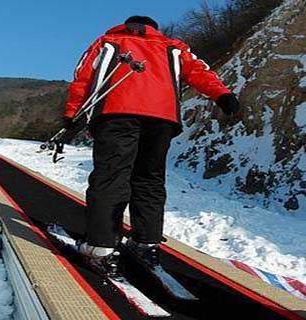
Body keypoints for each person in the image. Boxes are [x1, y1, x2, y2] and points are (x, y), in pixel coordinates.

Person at [64, 16, 239, 278]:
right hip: (162, 119)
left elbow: (84, 77)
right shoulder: (172, 46)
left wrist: (72, 114)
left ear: (127, 25)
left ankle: (101, 247)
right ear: (153, 28)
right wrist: (223, 95)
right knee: (149, 178)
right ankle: (146, 242)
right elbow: (199, 71)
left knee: (111, 176)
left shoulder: (108, 41)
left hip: (116, 114)